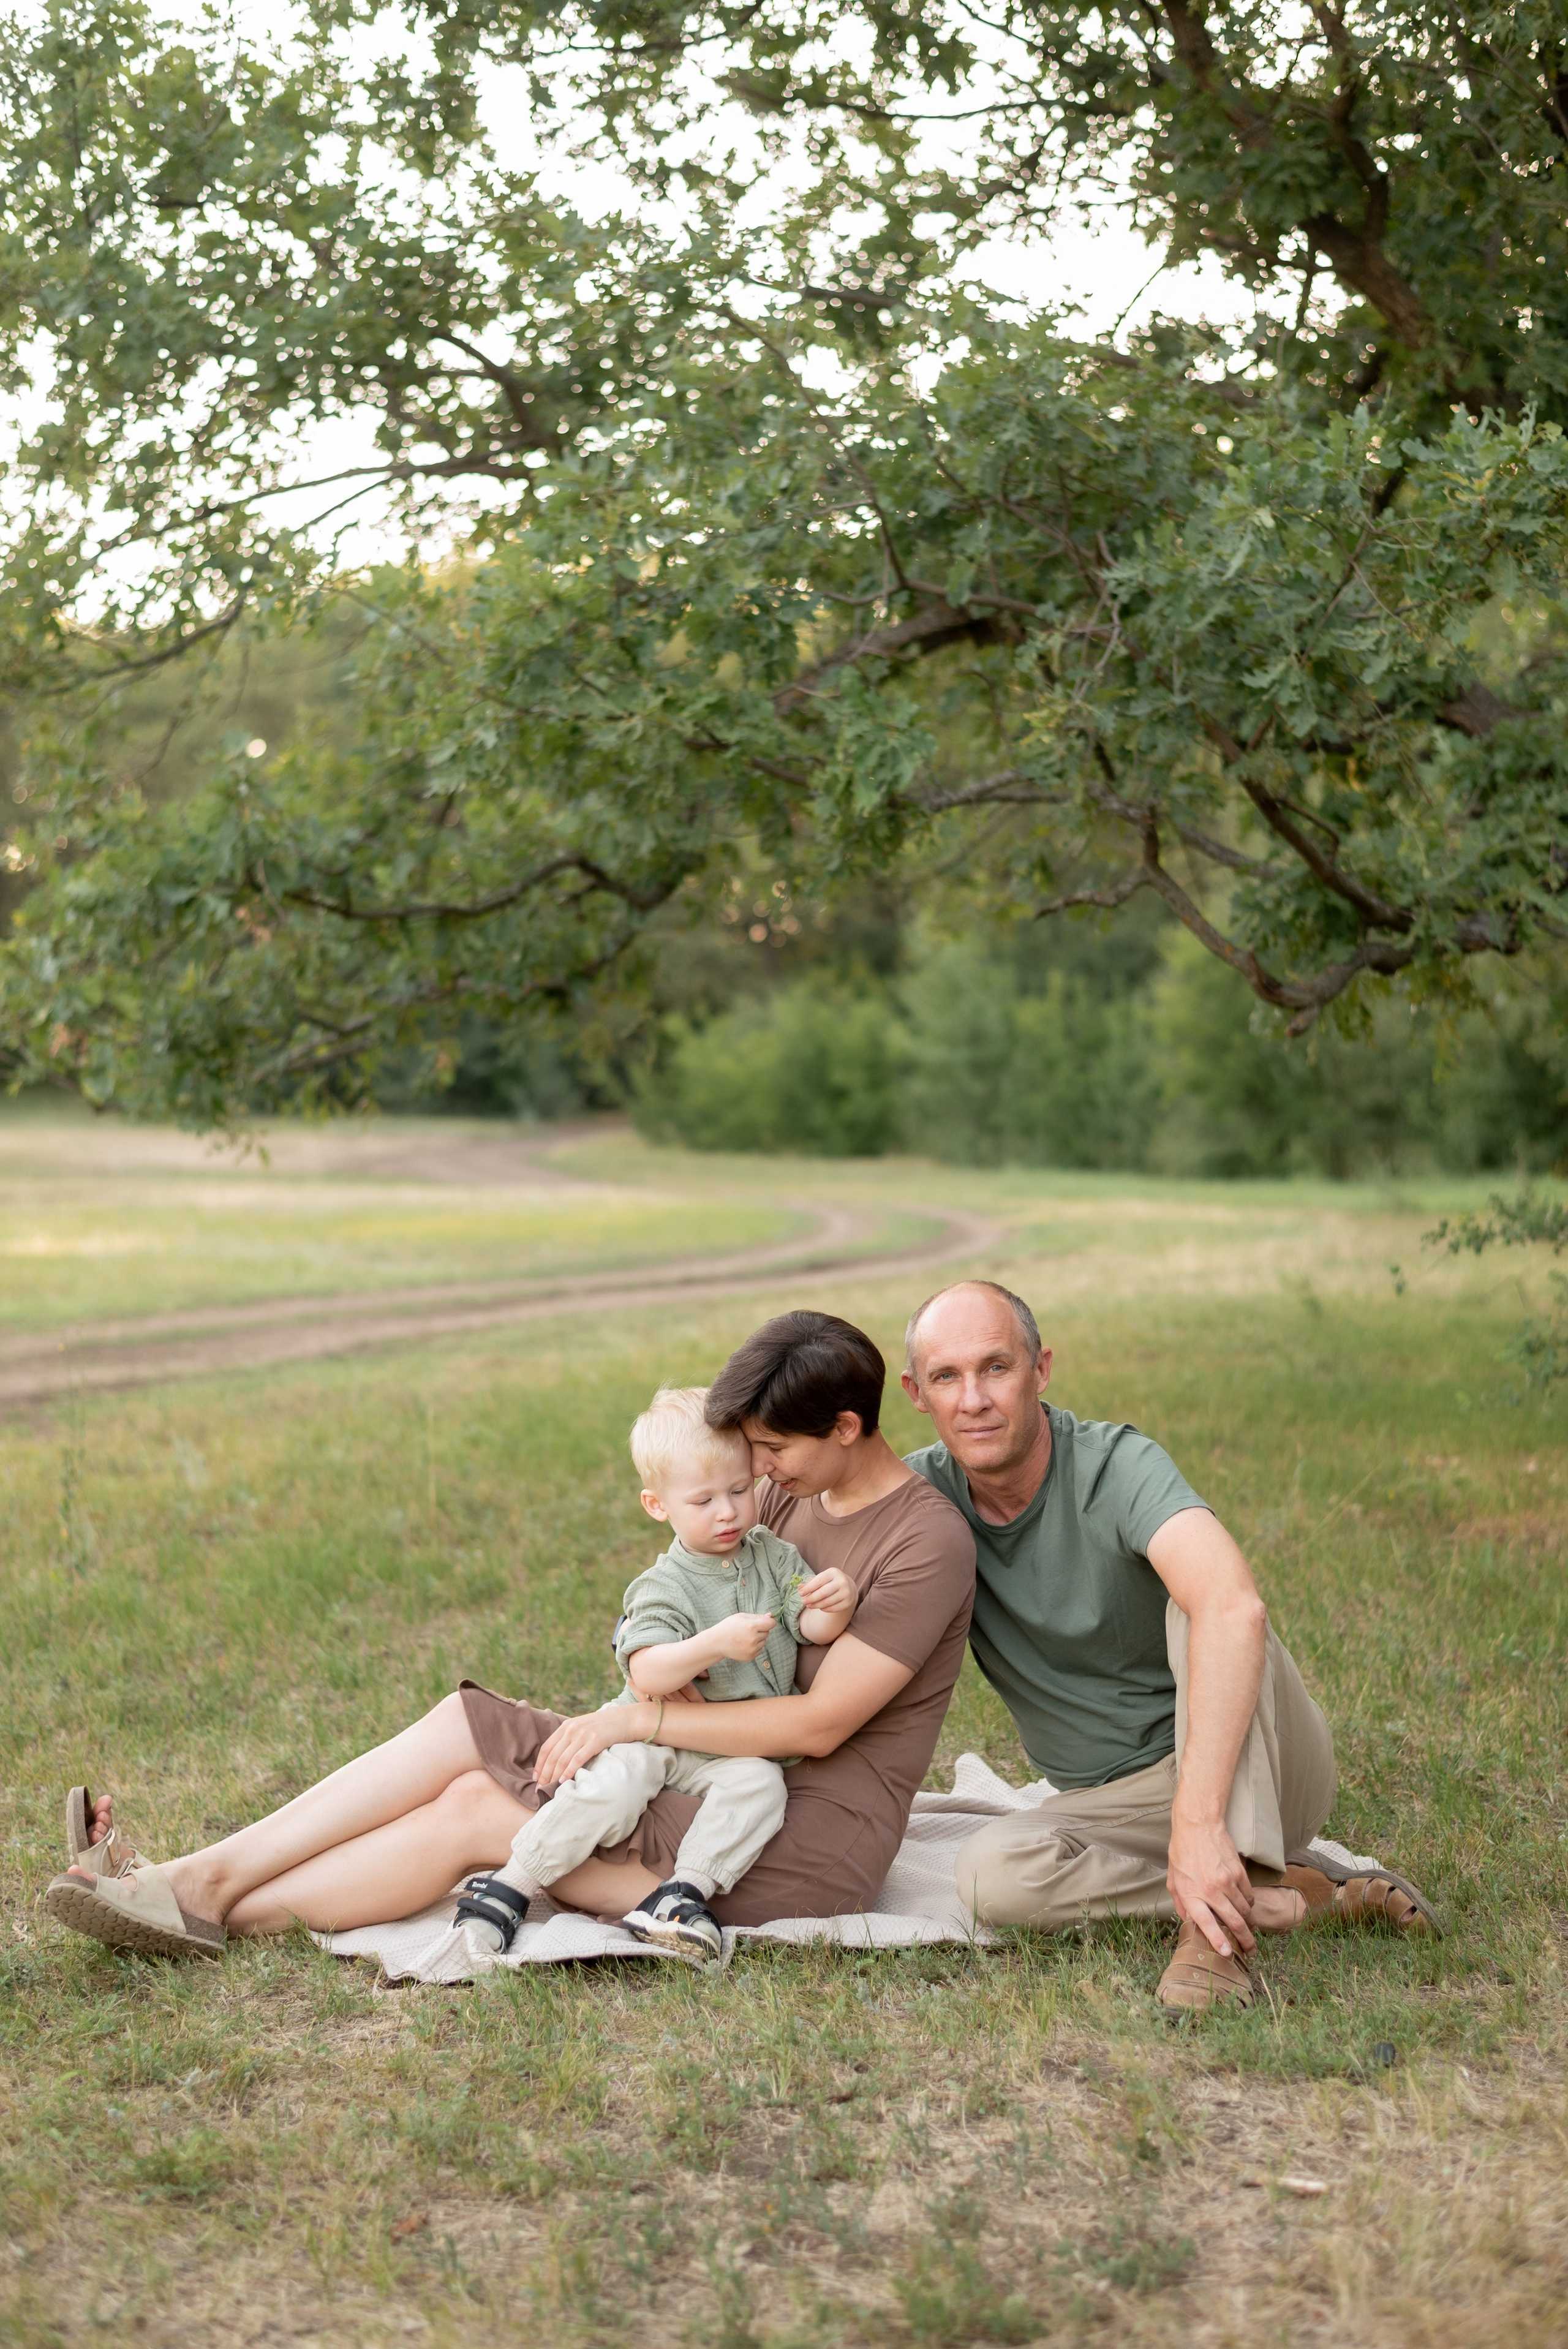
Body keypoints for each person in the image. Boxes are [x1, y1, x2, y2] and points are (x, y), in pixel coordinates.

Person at [45, 1311, 976, 1961]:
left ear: (847, 1427)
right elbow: (675, 1593)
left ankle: (205, 1905)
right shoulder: (785, 1489)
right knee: (470, 1722)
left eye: (772, 1451)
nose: (756, 1473)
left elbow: (815, 1728)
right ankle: (188, 1881)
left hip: (797, 1833)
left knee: (478, 1809)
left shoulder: (923, 1539)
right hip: (690, 1760)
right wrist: (636, 1699)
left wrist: (631, 1726)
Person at [901, 1279, 1441, 2010]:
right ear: (915, 1392)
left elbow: (1234, 1606)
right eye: (946, 1376)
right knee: (987, 1875)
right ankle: (1288, 1895)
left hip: (1262, 1759)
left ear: (1041, 1368)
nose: (973, 1398)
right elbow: (803, 1512)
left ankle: (1211, 1935)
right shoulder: (918, 1503)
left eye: (995, 1366)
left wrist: (1196, 1821)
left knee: (1206, 1605)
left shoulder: (1116, 1465)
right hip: (1117, 1804)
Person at [453, 1385, 858, 1964]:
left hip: (730, 1748)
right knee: (611, 1787)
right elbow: (647, 1664)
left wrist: (834, 1603)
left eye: (740, 1490)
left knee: (761, 1786)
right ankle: (515, 1881)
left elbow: (811, 1624)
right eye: (703, 1500)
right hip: (653, 1733)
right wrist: (714, 1643)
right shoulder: (664, 1584)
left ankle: (681, 1894)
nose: (726, 1511)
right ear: (657, 1505)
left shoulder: (772, 1555)